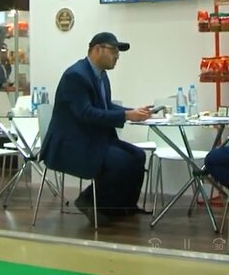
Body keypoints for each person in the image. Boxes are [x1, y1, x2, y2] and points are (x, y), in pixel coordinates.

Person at [39, 32, 152, 226]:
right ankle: (88, 200)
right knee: (119, 161)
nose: (117, 56)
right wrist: (126, 115)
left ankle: (124, 206)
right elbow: (86, 113)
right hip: (72, 144)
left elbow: (105, 106)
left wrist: (135, 112)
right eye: (113, 50)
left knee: (137, 156)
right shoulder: (76, 76)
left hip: (93, 139)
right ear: (97, 49)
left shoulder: (101, 76)